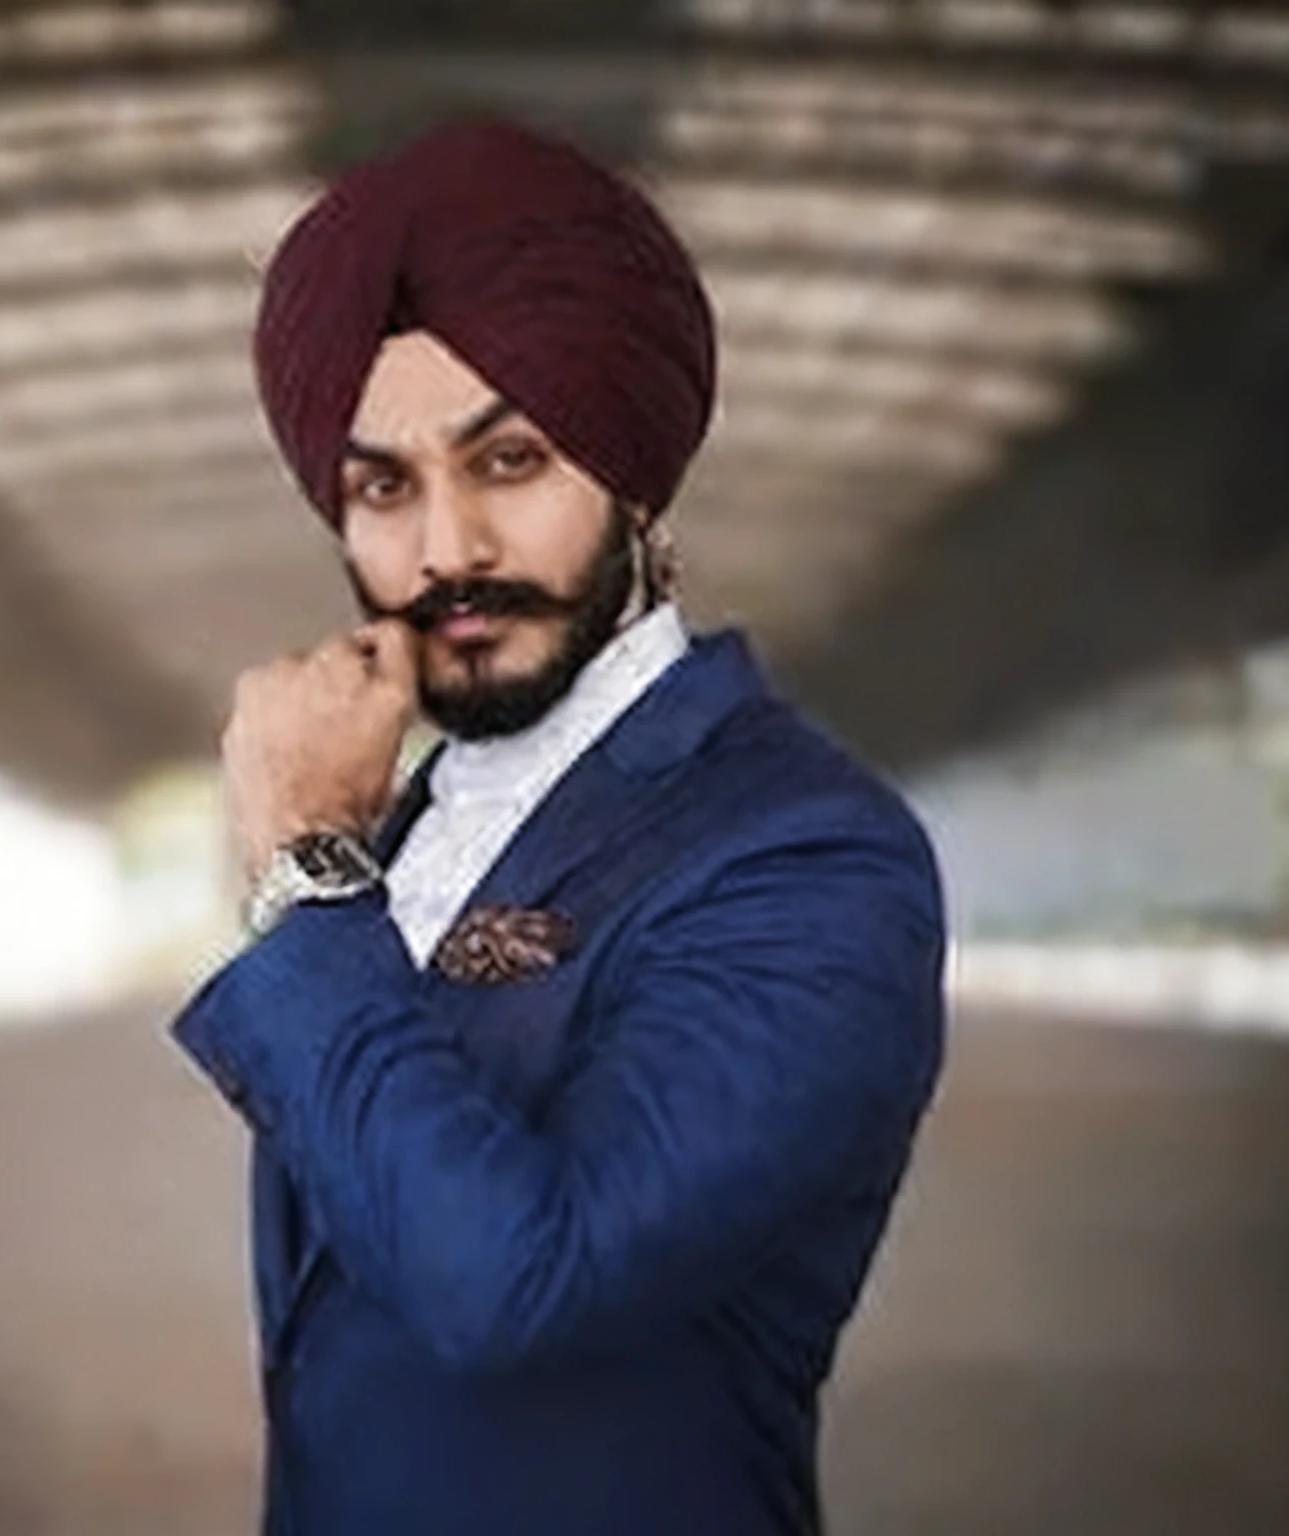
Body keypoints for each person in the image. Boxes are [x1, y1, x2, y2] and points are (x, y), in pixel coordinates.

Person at [173, 117, 945, 1536]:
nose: (448, 548)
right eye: (383, 485)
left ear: (635, 478)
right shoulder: (399, 822)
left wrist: (303, 869)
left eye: (511, 461)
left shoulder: (806, 851)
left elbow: (522, 1283)